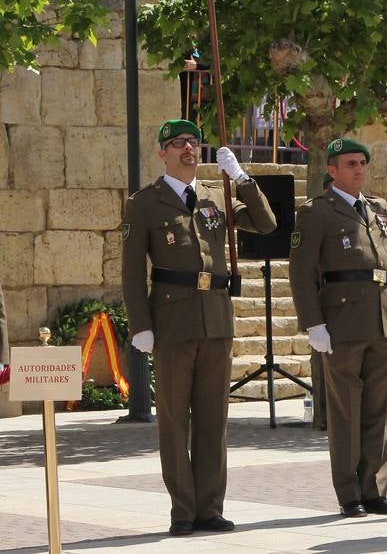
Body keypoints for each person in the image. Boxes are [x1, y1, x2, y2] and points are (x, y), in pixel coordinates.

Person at [122, 119, 276, 537]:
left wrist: (242, 178)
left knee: (213, 419)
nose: (188, 149)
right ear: (162, 153)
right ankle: (183, 511)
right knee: (175, 421)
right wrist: (141, 325)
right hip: (172, 319)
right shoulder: (145, 203)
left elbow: (266, 224)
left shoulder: (216, 195)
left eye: (193, 142)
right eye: (177, 144)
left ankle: (210, 507)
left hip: (215, 316)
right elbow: (133, 271)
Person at [289, 137, 387, 518]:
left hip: (383, 319)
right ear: (331, 170)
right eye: (350, 163)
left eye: (362, 163)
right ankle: (349, 493)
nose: (359, 169)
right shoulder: (316, 212)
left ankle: (374, 489)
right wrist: (313, 323)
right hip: (343, 321)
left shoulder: (377, 208)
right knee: (346, 411)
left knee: (377, 411)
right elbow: (301, 273)